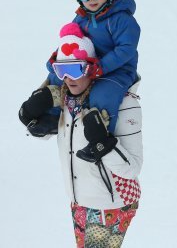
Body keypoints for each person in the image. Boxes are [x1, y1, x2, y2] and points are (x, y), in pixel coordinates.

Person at [19, 23, 143, 248]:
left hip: (112, 202)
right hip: (79, 200)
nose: (67, 78)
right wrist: (31, 115)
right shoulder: (67, 100)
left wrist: (103, 143)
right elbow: (47, 133)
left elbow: (132, 168)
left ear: (90, 68)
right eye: (61, 71)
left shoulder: (124, 104)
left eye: (75, 69)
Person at [47, 0, 141, 138]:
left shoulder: (122, 20)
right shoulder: (82, 18)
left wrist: (102, 67)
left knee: (103, 94)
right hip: (88, 67)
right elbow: (71, 41)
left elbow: (126, 50)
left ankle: (101, 136)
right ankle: (50, 118)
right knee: (56, 77)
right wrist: (57, 58)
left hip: (118, 71)